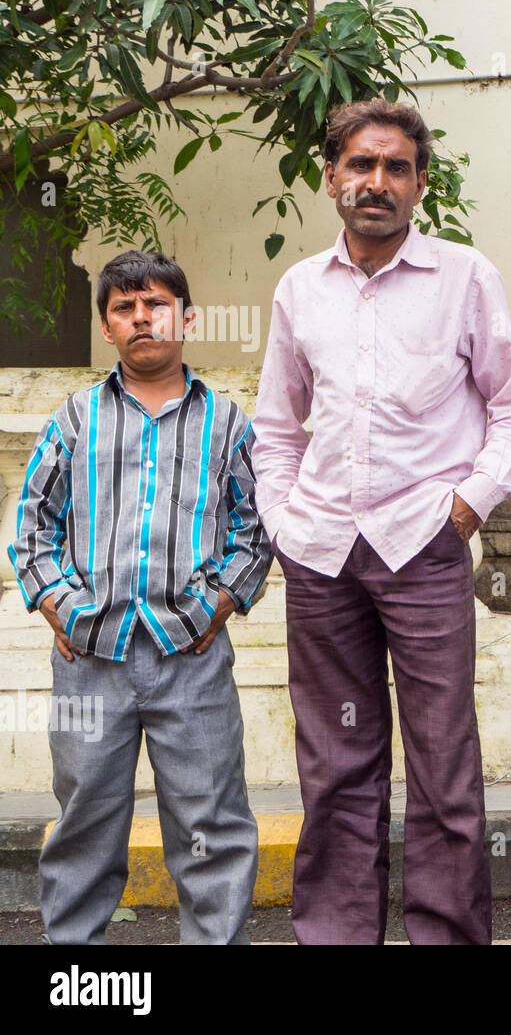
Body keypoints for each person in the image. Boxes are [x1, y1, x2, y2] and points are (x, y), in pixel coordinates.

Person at [252, 100, 511, 945]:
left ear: (419, 183)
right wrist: (283, 518)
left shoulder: (464, 277)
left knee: (444, 765)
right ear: (333, 175)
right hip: (322, 554)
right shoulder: (299, 288)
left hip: (423, 546)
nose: (377, 181)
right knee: (335, 766)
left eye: (397, 167)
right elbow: (275, 425)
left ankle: (446, 936)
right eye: (361, 164)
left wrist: (467, 504)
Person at [8, 250, 271, 944]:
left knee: (211, 824)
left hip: (193, 656)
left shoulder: (227, 424)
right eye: (124, 308)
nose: (141, 317)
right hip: (90, 659)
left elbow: (257, 526)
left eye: (155, 303)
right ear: (106, 328)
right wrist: (58, 605)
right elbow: (33, 520)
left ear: (185, 317)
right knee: (84, 823)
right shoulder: (73, 419)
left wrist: (219, 601)